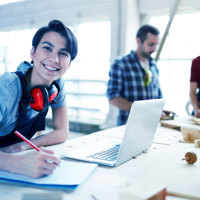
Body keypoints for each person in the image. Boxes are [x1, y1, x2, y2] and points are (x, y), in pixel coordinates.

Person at [0, 19, 78, 178]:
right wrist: (17, 164)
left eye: (63, 53)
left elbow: (62, 132)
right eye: (47, 48)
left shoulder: (57, 85)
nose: (54, 59)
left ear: (69, 63)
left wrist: (21, 147)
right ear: (33, 52)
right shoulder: (7, 87)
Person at [107, 24, 163, 126]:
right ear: (138, 41)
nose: (154, 49)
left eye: (156, 44)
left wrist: (160, 111)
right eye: (151, 44)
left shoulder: (154, 65)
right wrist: (141, 110)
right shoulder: (120, 63)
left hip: (151, 125)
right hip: (129, 125)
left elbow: (158, 95)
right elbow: (113, 97)